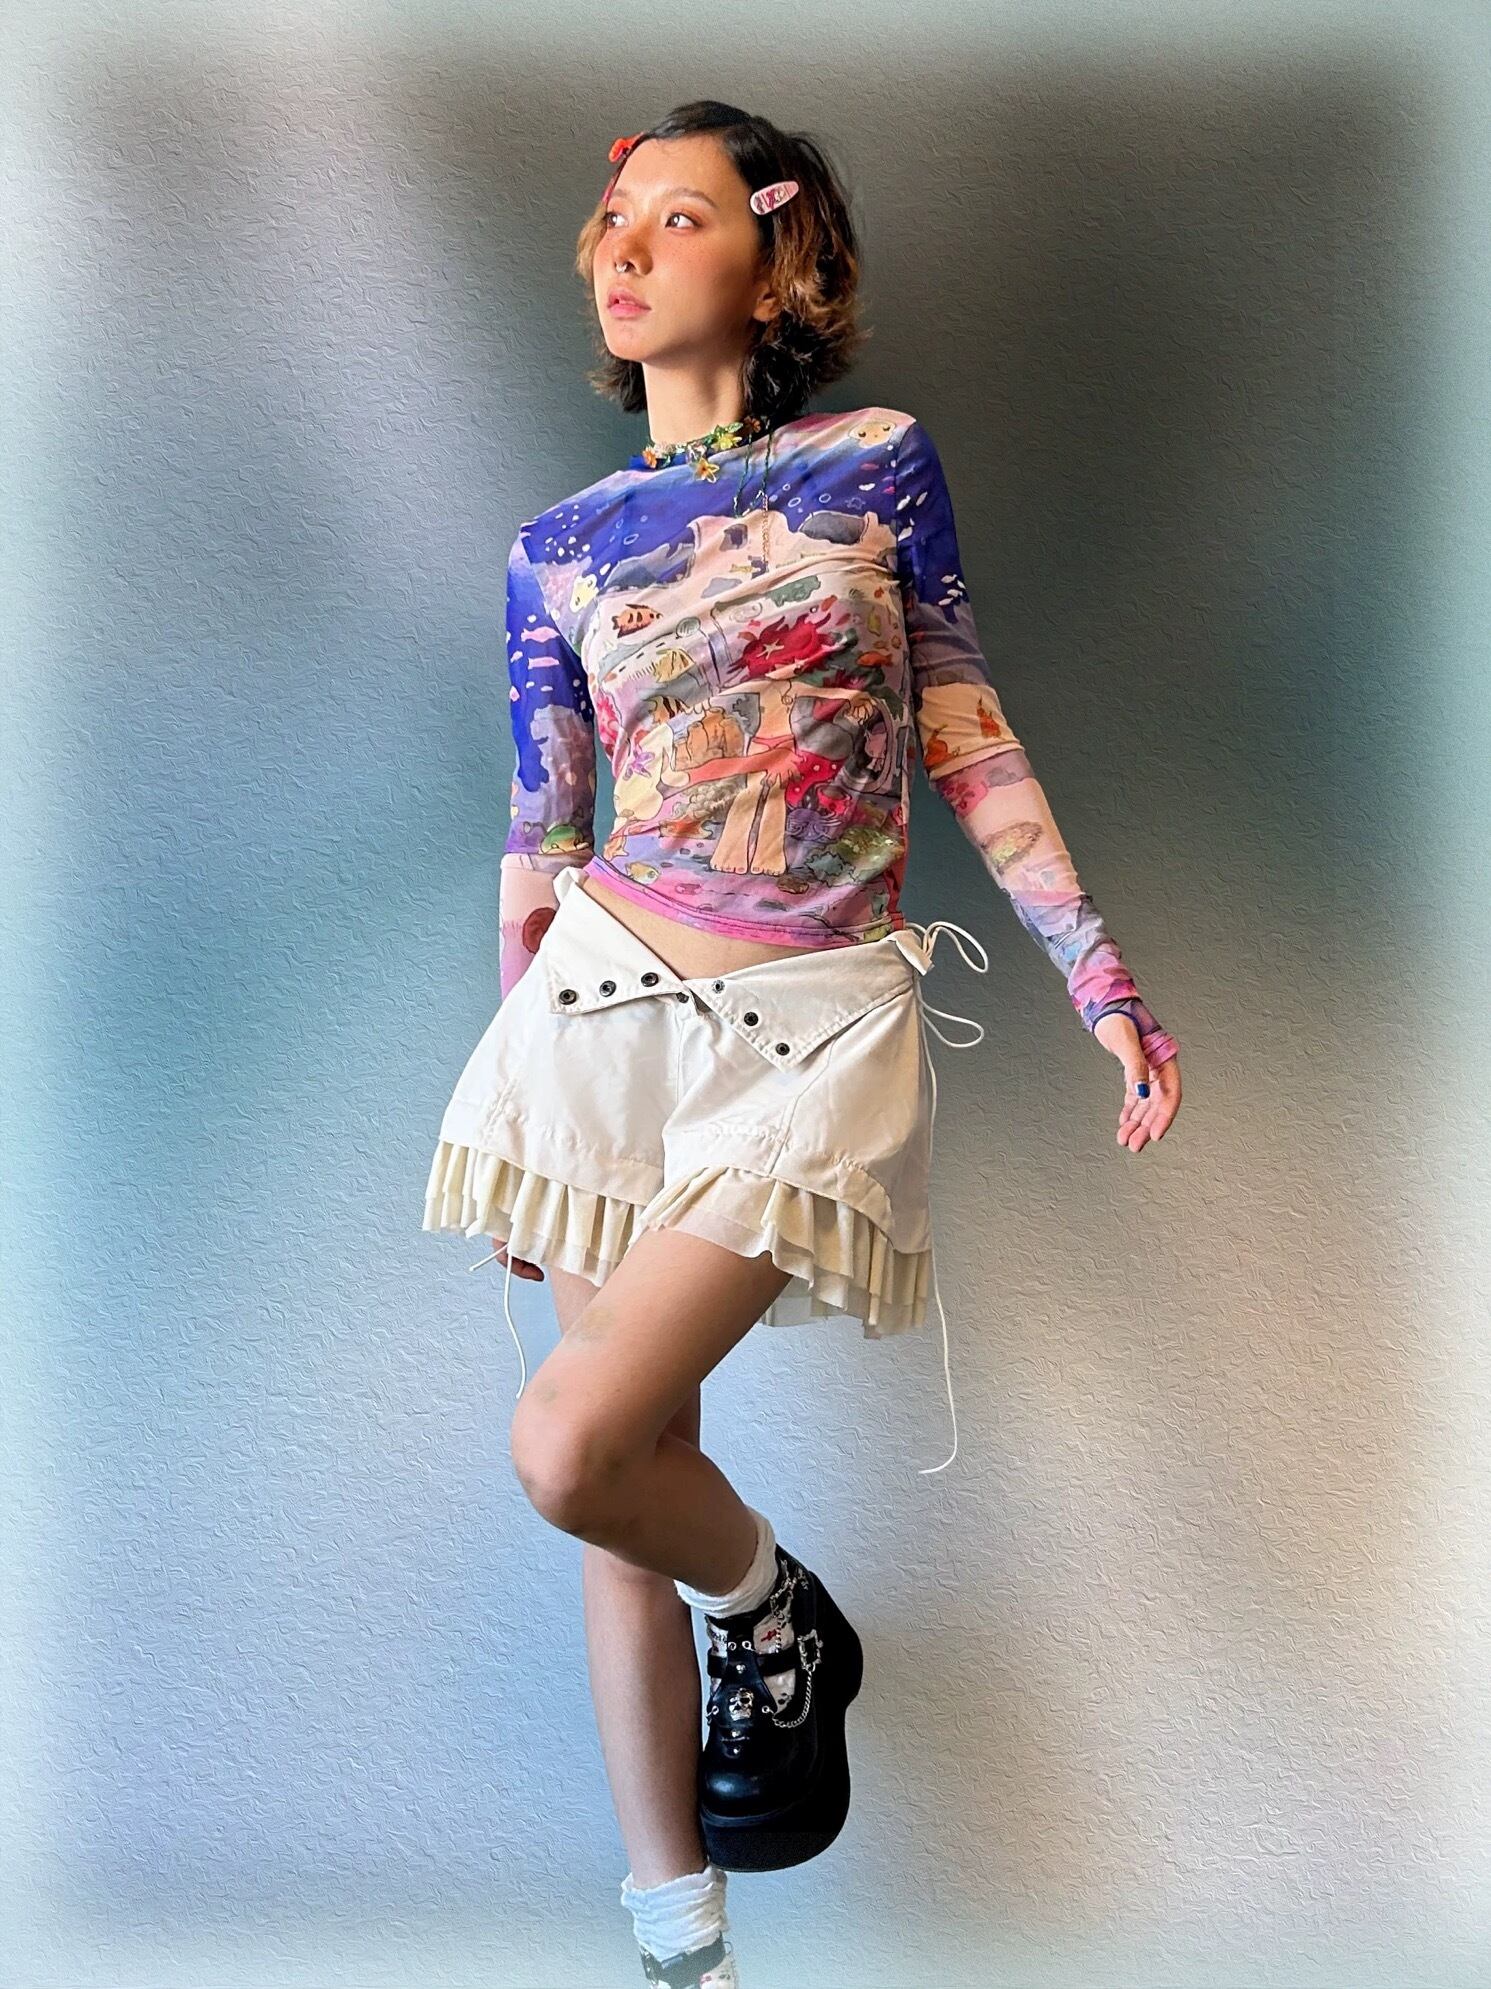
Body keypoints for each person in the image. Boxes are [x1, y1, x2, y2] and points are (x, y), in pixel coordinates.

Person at [422, 99, 1183, 1988]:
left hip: (814, 1022)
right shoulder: (555, 548)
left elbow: (965, 730)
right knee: (619, 1491)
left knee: (572, 1441)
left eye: (678, 217)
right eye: (613, 217)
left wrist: (1100, 979)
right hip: (595, 1020)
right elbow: (542, 833)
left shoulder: (874, 465)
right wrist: (519, 1107)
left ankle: (777, 1609)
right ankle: (679, 1940)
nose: (624, 247)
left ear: (778, 265)